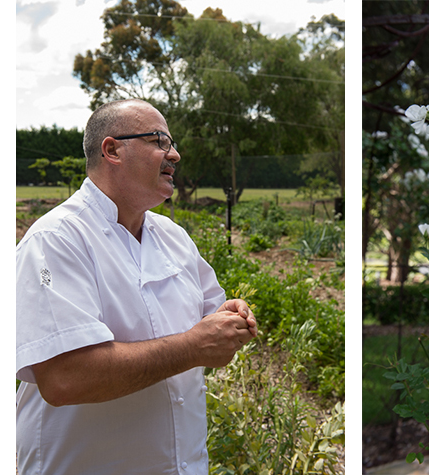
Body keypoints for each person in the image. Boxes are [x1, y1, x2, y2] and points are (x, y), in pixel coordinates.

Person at [16, 99, 257, 474]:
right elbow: (65, 377)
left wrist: (231, 320)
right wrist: (194, 346)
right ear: (112, 149)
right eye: (159, 140)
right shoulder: (55, 240)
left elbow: (211, 316)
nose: (174, 154)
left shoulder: (174, 237)